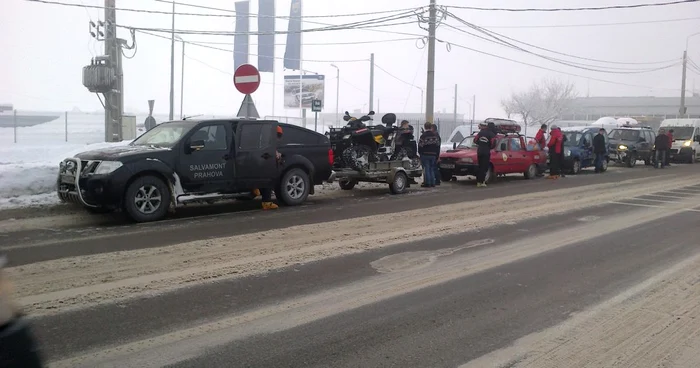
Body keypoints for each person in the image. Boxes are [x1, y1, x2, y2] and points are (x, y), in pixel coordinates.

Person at [253, 125, 284, 209]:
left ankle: (255, 189)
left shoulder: (263, 138)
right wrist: (277, 155)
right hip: (262, 166)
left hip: (256, 165)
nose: (278, 138)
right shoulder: (268, 141)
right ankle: (266, 202)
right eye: (278, 135)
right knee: (269, 180)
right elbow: (268, 151)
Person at [418, 122, 440, 188]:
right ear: (430, 127)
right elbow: (437, 146)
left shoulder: (423, 136)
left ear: (425, 127)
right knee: (431, 168)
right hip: (433, 155)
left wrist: (420, 153)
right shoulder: (435, 135)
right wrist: (437, 155)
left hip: (425, 154)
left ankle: (428, 183)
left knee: (426, 169)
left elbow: (420, 145)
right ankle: (433, 183)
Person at [475, 122, 496, 187]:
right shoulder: (491, 134)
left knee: (480, 166)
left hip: (479, 151)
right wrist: (488, 146)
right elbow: (493, 143)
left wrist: (480, 144)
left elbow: (475, 140)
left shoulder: (480, 133)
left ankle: (478, 182)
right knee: (484, 167)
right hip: (486, 152)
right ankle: (482, 182)